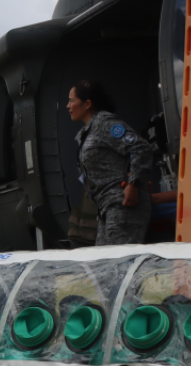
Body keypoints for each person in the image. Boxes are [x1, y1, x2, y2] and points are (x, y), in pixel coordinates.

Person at [67, 80, 156, 246]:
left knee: (121, 262)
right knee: (106, 263)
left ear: (87, 104)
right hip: (106, 207)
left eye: (72, 100)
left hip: (122, 203)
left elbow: (140, 147)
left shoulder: (105, 123)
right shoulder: (86, 132)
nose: (68, 105)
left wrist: (134, 184)